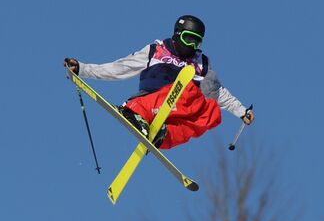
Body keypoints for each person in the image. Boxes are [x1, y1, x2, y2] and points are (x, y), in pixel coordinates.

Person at [64, 15, 254, 149]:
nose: (193, 46)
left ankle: (163, 136)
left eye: (197, 42)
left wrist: (241, 111)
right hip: (149, 102)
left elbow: (219, 93)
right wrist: (83, 69)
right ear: (177, 34)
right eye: (189, 39)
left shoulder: (201, 64)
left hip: (176, 114)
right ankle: (134, 113)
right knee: (186, 87)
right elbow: (120, 68)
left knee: (212, 113)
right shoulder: (157, 51)